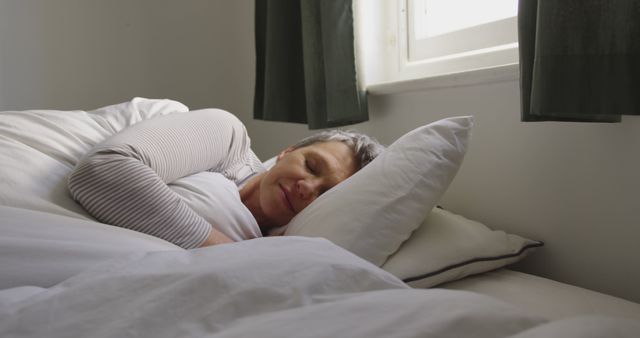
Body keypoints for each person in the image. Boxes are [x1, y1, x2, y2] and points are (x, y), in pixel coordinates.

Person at [68, 109, 384, 249]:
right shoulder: (227, 139)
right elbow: (101, 172)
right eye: (312, 166)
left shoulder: (282, 243)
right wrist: (224, 249)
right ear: (286, 152)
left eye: (326, 193)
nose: (307, 187)